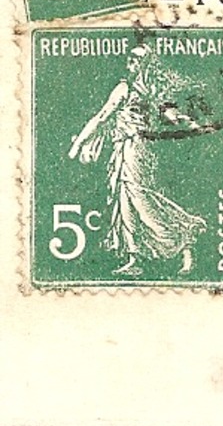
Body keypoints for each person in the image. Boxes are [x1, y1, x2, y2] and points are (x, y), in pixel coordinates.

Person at [68, 45, 207, 276]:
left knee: (138, 199)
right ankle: (138, 257)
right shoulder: (148, 91)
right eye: (130, 57)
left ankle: (183, 235)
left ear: (145, 64)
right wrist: (194, 125)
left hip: (133, 149)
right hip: (131, 149)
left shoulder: (129, 89)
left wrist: (77, 144)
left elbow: (102, 117)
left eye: (136, 59)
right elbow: (173, 117)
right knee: (128, 200)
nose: (129, 62)